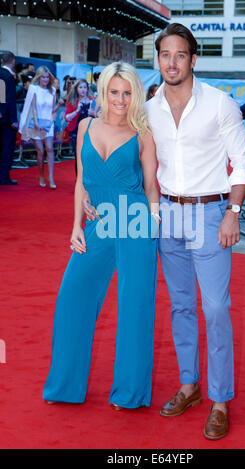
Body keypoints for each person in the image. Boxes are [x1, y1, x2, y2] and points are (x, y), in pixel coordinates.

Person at [143, 23, 245, 440]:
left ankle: (220, 399)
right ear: (159, 59)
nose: (172, 62)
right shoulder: (150, 106)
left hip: (210, 214)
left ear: (193, 59)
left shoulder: (220, 104)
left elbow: (242, 162)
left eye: (180, 55)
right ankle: (189, 385)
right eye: (165, 55)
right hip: (167, 215)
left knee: (216, 308)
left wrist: (233, 211)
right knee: (181, 307)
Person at [43, 61, 159, 409]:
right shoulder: (85, 127)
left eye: (127, 93)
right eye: (114, 92)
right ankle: (64, 387)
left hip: (136, 223)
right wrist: (76, 225)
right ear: (103, 92)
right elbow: (81, 181)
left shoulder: (144, 134)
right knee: (72, 299)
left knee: (135, 308)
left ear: (135, 95)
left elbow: (151, 186)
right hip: (96, 224)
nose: (121, 99)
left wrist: (153, 226)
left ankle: (130, 393)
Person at [19, 66, 60, 189]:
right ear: (38, 77)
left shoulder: (52, 90)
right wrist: (30, 124)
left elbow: (52, 109)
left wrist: (57, 110)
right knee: (40, 151)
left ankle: (51, 178)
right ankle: (42, 175)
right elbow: (31, 108)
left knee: (50, 149)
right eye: (43, 77)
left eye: (48, 77)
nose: (46, 79)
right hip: (35, 123)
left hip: (48, 124)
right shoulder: (33, 89)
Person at [64, 79, 94, 173]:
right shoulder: (73, 101)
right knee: (79, 157)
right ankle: (79, 180)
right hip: (76, 133)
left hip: (91, 133)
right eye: (80, 87)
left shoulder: (92, 101)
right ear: (76, 89)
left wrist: (93, 113)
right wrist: (77, 110)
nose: (83, 90)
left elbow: (101, 115)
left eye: (85, 87)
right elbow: (67, 118)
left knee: (89, 157)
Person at [0, 51, 18, 185]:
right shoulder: (9, 76)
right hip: (6, 120)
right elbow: (10, 99)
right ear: (12, 61)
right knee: (7, 148)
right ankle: (4, 177)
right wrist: (13, 120)